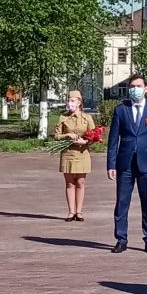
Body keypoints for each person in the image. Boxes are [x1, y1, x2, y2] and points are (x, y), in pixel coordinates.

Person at [106, 74, 147, 253]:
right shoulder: (121, 110)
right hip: (124, 164)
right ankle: (121, 239)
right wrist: (111, 164)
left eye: (138, 86)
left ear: (146, 88)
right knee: (122, 203)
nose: (135, 89)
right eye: (132, 86)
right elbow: (113, 140)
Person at [55, 89, 93, 220]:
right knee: (70, 183)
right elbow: (56, 136)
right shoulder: (63, 118)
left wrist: (84, 141)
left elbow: (94, 136)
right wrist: (67, 135)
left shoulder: (87, 118)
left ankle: (79, 212)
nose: (69, 103)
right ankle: (71, 212)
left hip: (82, 154)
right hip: (68, 154)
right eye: (68, 100)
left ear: (79, 102)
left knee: (80, 182)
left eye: (72, 100)